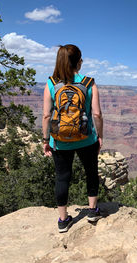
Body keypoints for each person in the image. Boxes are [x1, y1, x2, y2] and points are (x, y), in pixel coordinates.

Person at [42, 44, 103, 233]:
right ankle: (92, 211)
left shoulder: (51, 83)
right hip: (86, 138)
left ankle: (63, 220)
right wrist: (99, 136)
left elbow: (46, 116)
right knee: (91, 173)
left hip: (60, 140)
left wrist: (46, 140)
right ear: (78, 62)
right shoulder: (88, 82)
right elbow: (97, 114)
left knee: (62, 178)